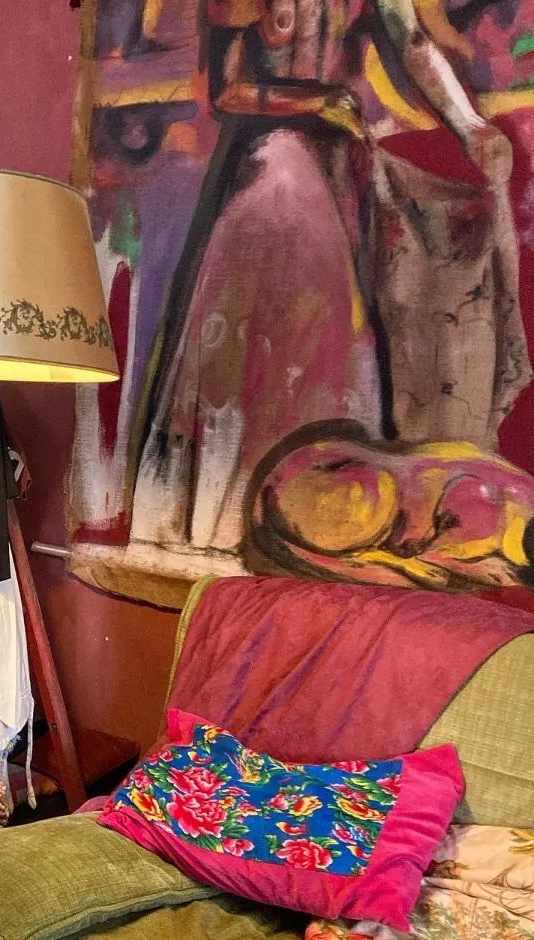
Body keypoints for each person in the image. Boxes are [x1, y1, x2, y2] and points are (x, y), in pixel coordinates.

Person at [128, 0, 518, 555]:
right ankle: (226, 519)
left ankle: (319, 517)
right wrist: (321, 101)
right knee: (270, 328)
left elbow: (413, 46)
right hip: (270, 163)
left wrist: (471, 126)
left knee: (332, 337)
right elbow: (228, 91)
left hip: (339, 167)